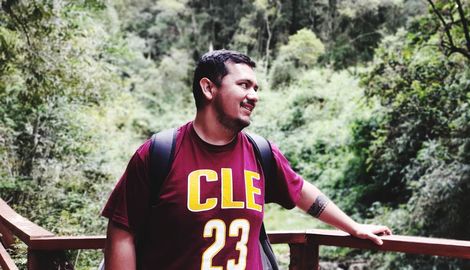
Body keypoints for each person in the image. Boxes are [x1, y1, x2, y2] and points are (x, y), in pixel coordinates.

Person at [102, 49, 391, 269]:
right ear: (208, 88)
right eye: (243, 85)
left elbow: (302, 191)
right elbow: (122, 229)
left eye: (256, 88)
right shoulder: (159, 153)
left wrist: (353, 227)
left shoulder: (261, 152)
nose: (253, 96)